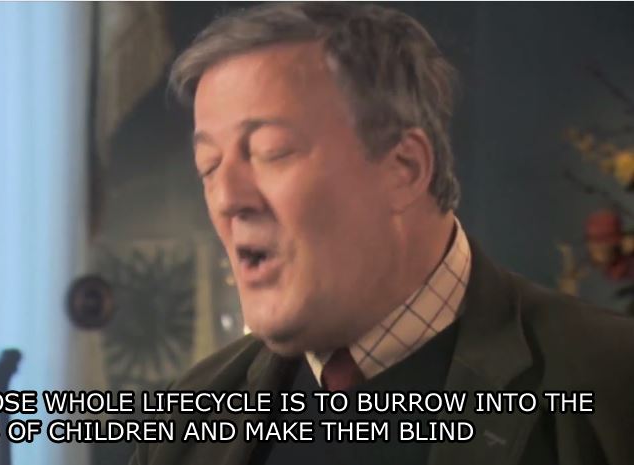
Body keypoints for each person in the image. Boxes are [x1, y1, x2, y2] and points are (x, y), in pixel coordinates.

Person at [130, 3, 634, 465]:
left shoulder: (612, 386)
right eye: (208, 167)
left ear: (404, 169)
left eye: (271, 152)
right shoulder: (185, 423)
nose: (226, 198)